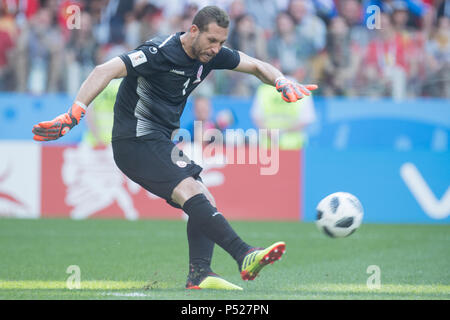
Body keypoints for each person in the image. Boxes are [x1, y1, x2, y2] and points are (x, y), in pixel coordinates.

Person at [32, 6, 318, 290]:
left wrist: (281, 81)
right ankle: (244, 253)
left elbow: (256, 66)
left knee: (203, 196)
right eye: (211, 41)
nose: (217, 49)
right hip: (134, 141)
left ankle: (200, 273)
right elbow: (104, 69)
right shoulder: (159, 51)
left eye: (221, 42)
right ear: (193, 31)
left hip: (158, 141)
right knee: (192, 192)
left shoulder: (212, 55)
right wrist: (74, 114)